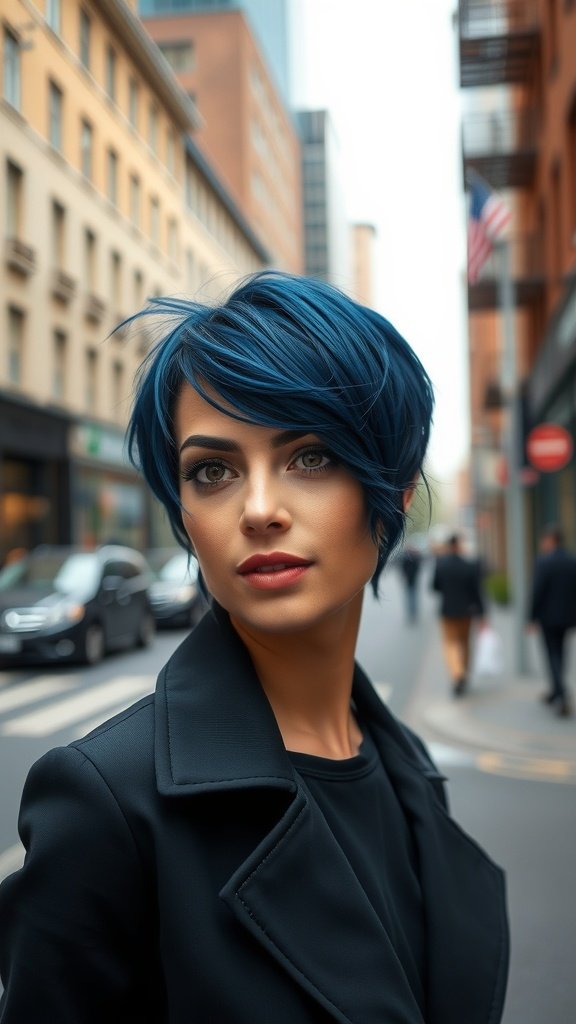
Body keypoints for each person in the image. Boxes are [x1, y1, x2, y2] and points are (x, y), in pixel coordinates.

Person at [0, 272, 509, 1024]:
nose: (260, 510)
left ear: (394, 492)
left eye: (310, 457)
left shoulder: (406, 771)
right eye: (213, 471)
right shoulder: (106, 803)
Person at [528, 523, 576, 717]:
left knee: (552, 656)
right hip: (566, 618)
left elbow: (537, 592)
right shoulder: (571, 561)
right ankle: (556, 690)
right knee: (562, 654)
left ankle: (561, 694)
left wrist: (531, 617)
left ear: (550, 540)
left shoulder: (543, 562)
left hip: (548, 618)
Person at [431, 532, 485, 696]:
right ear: (459, 546)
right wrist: (482, 613)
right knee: (465, 642)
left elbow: (434, 587)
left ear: (449, 546)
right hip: (466, 611)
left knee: (450, 643)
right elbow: (477, 592)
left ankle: (457, 674)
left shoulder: (441, 565)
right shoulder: (468, 565)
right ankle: (464, 673)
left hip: (447, 611)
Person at [397, 543, 424, 623]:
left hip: (413, 580)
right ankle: (411, 613)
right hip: (409, 580)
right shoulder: (406, 557)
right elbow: (402, 568)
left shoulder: (415, 557)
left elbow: (418, 568)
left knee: (412, 597)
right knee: (410, 597)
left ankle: (413, 612)